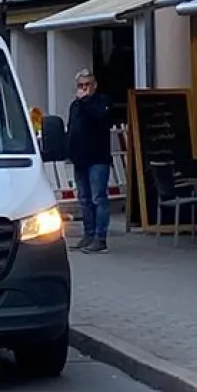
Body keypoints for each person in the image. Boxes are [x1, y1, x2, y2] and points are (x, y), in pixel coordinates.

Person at [68, 69, 113, 254]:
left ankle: (100, 238)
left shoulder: (101, 102)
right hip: (80, 159)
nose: (84, 89)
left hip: (98, 158)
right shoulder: (75, 105)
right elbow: (72, 129)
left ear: (94, 86)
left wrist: (86, 101)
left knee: (98, 198)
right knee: (84, 199)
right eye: (80, 86)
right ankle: (88, 234)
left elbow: (100, 118)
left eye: (87, 85)